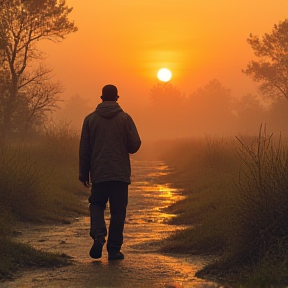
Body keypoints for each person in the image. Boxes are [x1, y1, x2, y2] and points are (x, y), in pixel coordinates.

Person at [79, 84, 141, 261]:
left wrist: (84, 173)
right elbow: (135, 144)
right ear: (117, 98)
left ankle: (99, 236)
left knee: (97, 204)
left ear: (101, 98)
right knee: (118, 212)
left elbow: (84, 149)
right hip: (120, 174)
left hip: (98, 173)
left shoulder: (89, 120)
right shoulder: (125, 119)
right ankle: (113, 250)